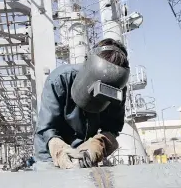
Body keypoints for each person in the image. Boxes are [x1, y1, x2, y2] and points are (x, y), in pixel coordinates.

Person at [34, 38, 130, 169]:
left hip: (87, 155)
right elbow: (46, 129)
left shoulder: (117, 89)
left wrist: (97, 144)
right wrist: (60, 151)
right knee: (51, 178)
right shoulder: (60, 79)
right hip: (51, 154)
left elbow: (112, 128)